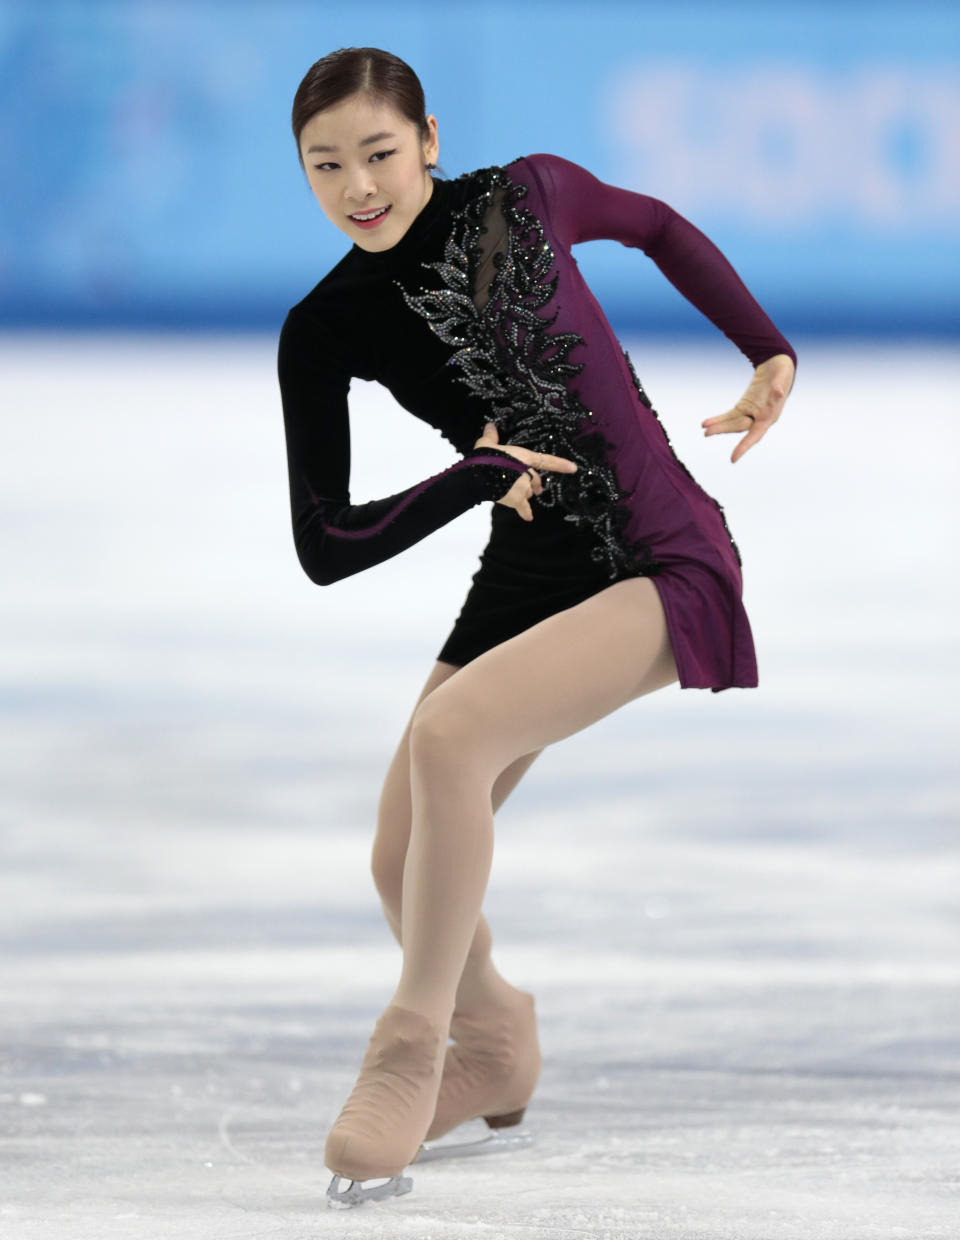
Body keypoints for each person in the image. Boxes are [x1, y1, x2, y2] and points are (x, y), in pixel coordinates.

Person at [277, 46, 797, 1209]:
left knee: (452, 737)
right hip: (531, 553)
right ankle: (496, 1035)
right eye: (326, 166)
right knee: (398, 853)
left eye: (378, 152)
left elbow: (657, 225)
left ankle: (409, 1044)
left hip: (658, 552)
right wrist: (476, 476)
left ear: (429, 141)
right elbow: (324, 542)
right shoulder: (324, 325)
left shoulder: (528, 195)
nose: (359, 185)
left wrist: (765, 346)